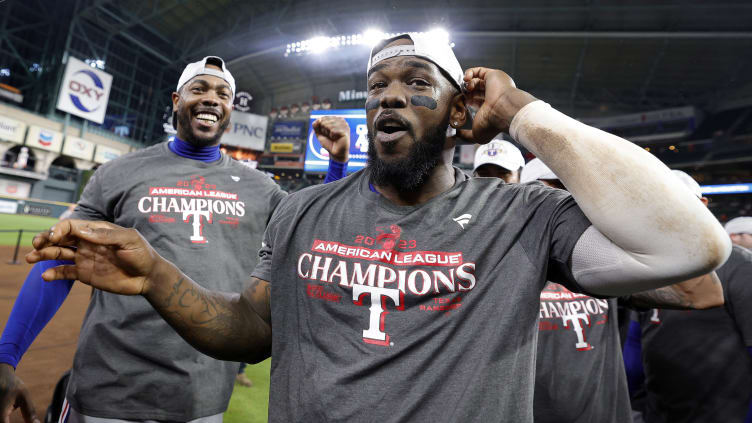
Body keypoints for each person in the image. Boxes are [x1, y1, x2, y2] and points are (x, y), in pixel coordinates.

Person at [28, 33, 731, 422]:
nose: (390, 93)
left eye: (418, 82)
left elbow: (693, 247)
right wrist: (156, 274)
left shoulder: (525, 217)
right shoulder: (305, 209)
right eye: (378, 85)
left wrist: (522, 112)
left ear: (461, 112)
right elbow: (247, 327)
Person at [0, 56, 350, 423]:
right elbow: (59, 263)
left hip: (202, 396)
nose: (212, 98)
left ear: (230, 109)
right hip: (108, 388)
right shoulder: (118, 173)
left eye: (223, 93)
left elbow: (311, 232)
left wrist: (337, 165)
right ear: (176, 100)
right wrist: (7, 357)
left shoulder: (261, 189)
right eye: (198, 88)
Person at [520, 162, 724, 423]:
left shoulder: (602, 265)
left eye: (576, 191)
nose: (570, 202)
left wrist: (663, 215)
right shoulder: (503, 263)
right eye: (557, 189)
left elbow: (702, 294)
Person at [624, 189, 752, 422]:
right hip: (659, 411)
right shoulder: (646, 264)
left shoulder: (739, 265)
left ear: (702, 204)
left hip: (724, 413)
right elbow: (634, 346)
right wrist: (635, 403)